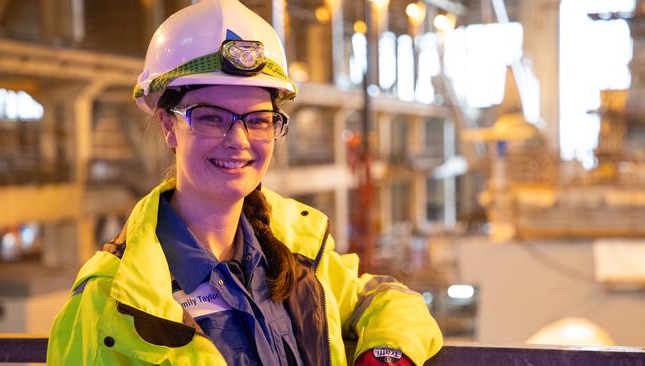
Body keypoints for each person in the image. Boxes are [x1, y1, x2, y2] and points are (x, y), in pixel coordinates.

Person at [47, 0, 443, 364]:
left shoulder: (296, 247)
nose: (238, 141)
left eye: (258, 120)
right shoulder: (110, 301)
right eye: (211, 117)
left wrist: (387, 355)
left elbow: (384, 298)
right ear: (169, 125)